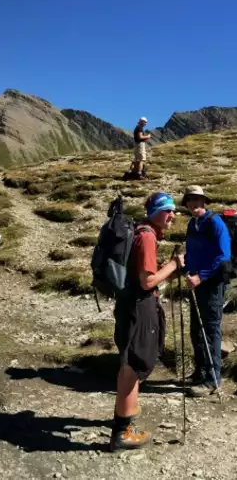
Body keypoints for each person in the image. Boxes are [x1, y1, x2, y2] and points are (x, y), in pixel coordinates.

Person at [110, 192, 183, 452]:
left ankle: (126, 416)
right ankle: (122, 432)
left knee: (130, 363)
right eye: (166, 210)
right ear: (154, 212)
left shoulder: (139, 231)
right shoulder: (147, 236)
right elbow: (147, 281)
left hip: (129, 304)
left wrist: (163, 268)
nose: (172, 214)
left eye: (173, 210)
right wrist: (173, 266)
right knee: (134, 365)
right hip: (140, 307)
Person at [182, 185, 231, 397]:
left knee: (210, 329)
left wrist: (200, 276)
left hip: (211, 284)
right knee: (197, 328)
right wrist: (184, 269)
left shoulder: (215, 222)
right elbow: (192, 251)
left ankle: (212, 379)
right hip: (196, 281)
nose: (193, 203)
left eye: (197, 199)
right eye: (189, 200)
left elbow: (223, 255)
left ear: (204, 202)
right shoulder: (193, 224)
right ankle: (201, 371)